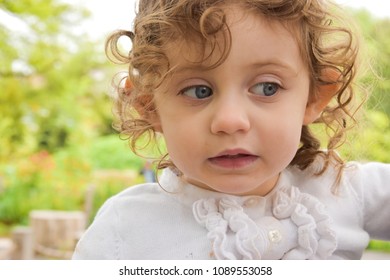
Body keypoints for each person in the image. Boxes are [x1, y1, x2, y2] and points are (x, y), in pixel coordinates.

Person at [73, 0, 390, 259]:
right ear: (149, 105)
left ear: (314, 97)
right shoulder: (122, 231)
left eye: (267, 87)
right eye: (198, 91)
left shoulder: (348, 189)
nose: (230, 120)